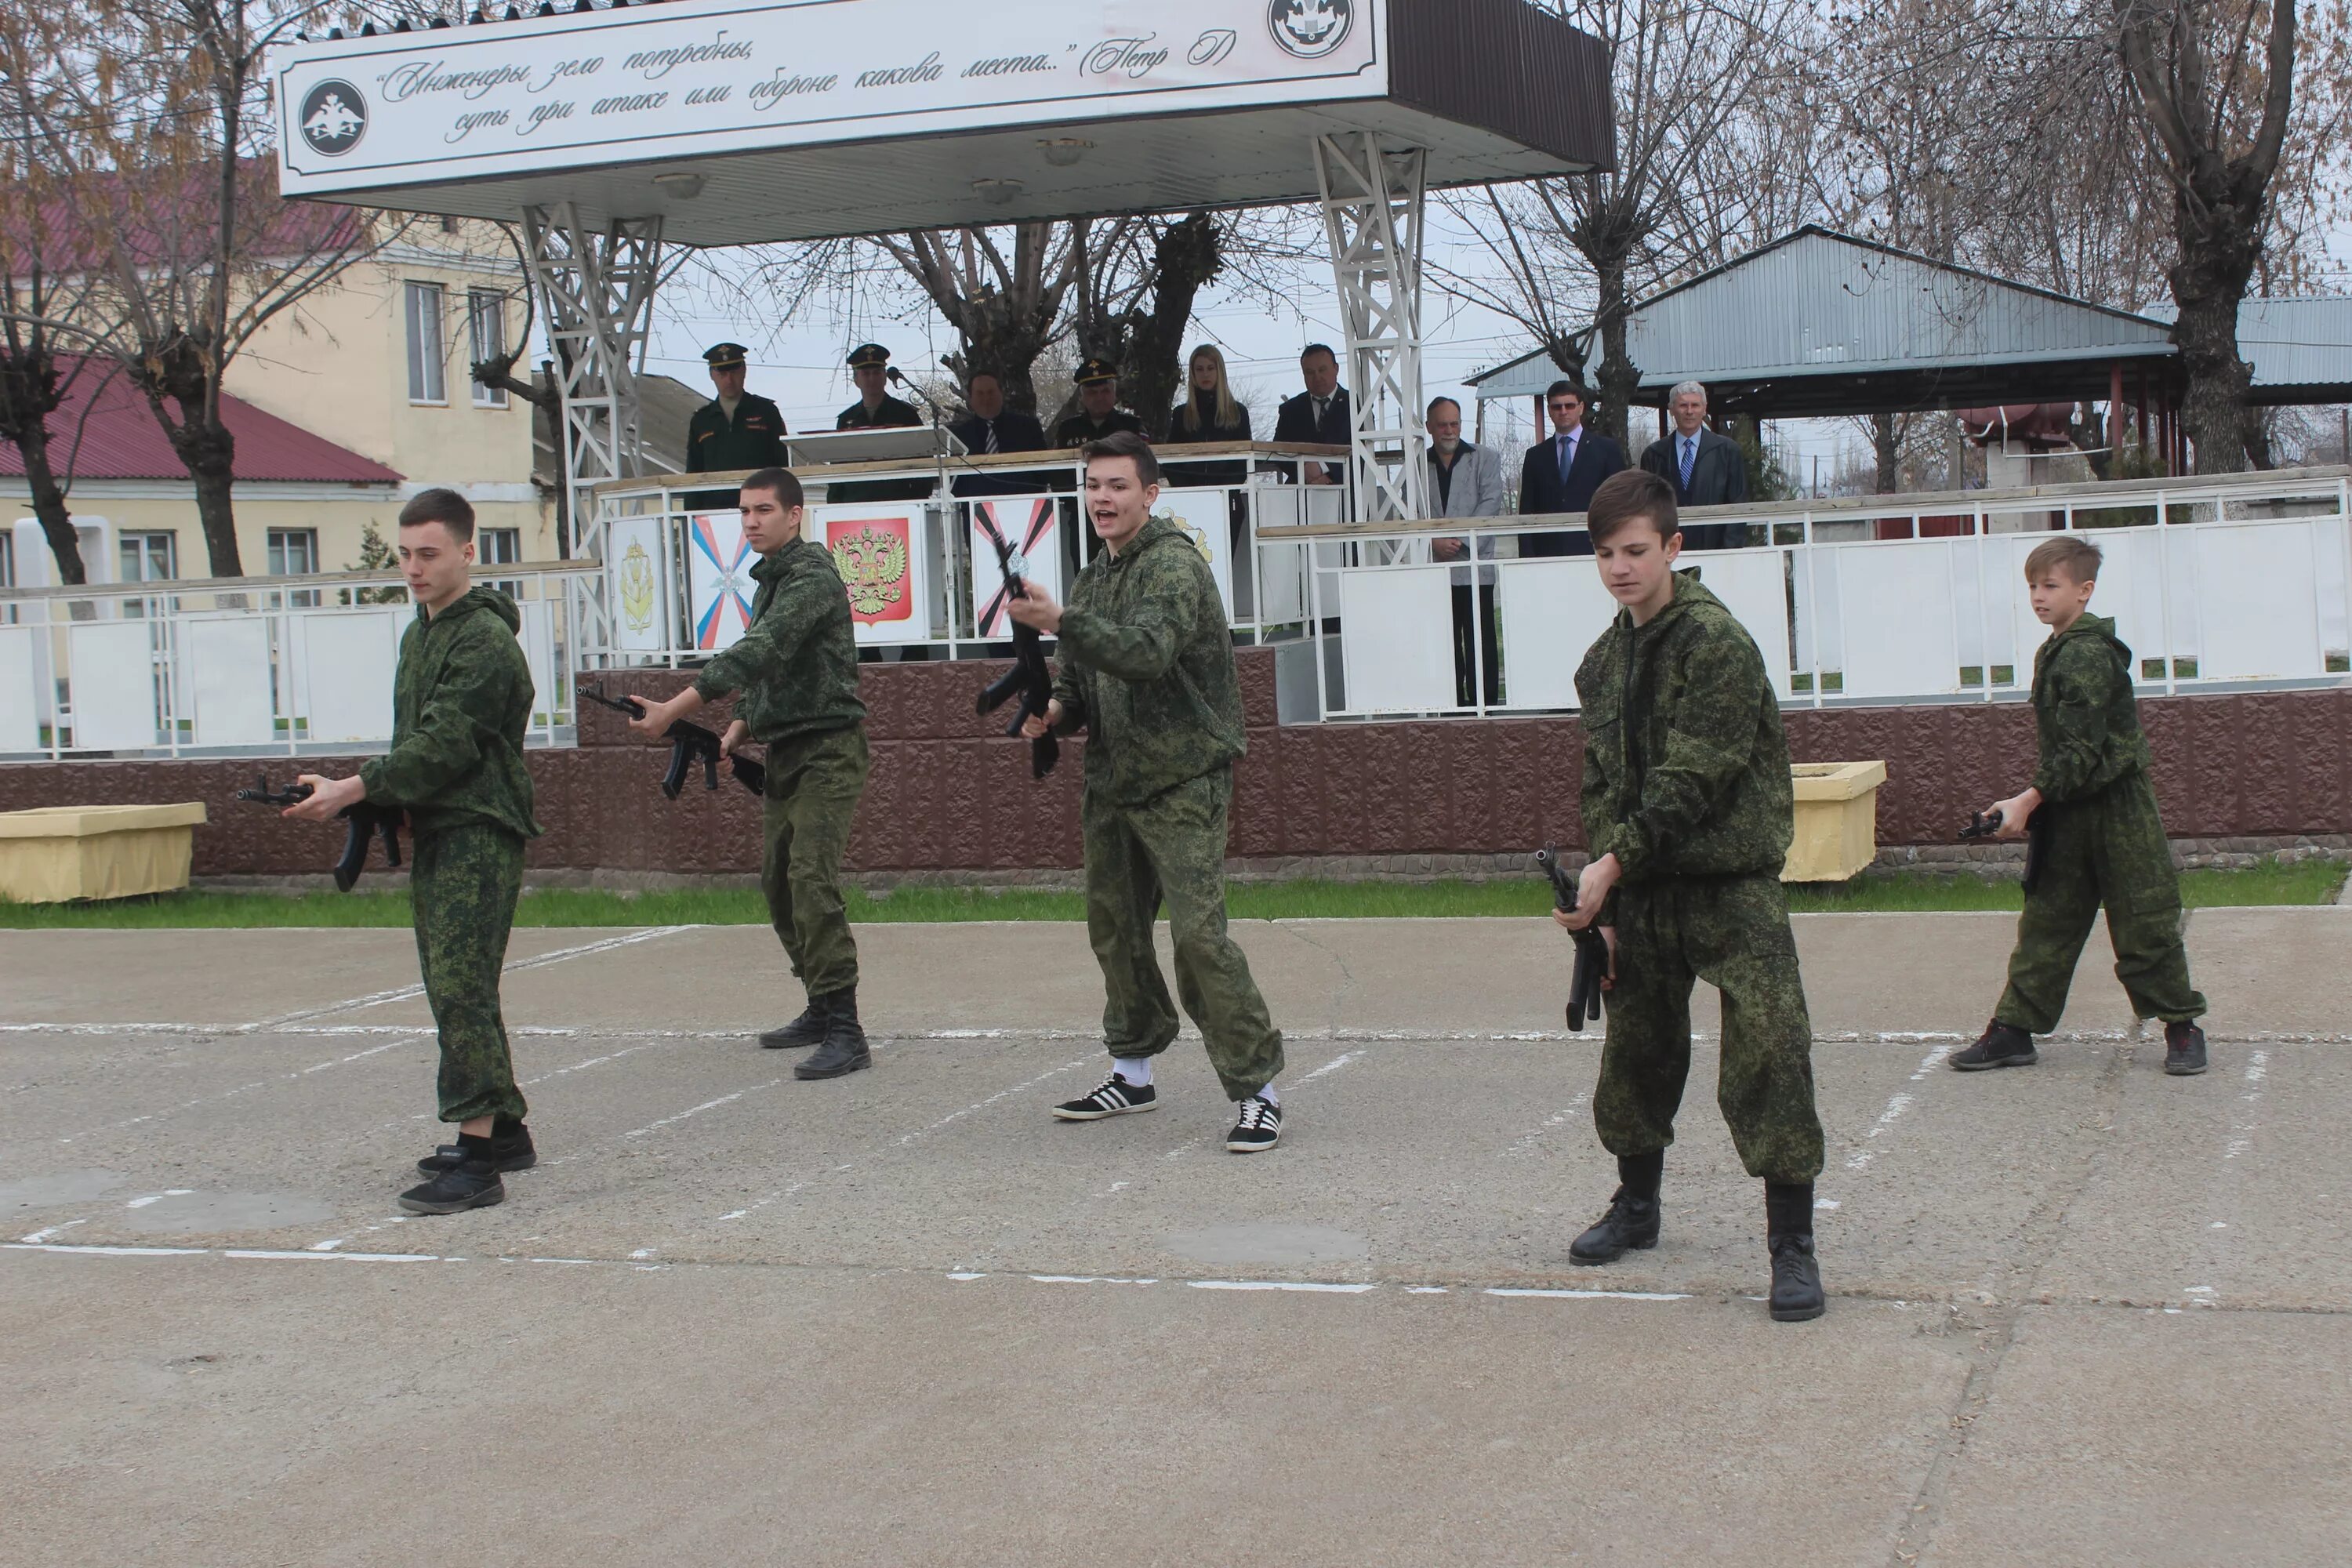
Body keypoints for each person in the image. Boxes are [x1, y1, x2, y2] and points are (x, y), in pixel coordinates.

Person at [1555, 466, 1827, 1322]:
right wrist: (1600, 902)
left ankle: (1792, 1245)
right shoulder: (1602, 663)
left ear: (1674, 547)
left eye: (1635, 550)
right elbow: (1604, 787)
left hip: (1730, 881)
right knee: (1636, 1049)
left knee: (1772, 1049)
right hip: (1644, 889)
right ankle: (1637, 1206)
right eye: (1605, 553)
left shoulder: (1719, 644)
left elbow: (1693, 777)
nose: (1620, 567)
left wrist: (1613, 862)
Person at [1004, 430, 1289, 1152]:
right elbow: (1079, 680)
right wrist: (1055, 713)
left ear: (1150, 494)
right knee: (1116, 930)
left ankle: (1259, 1089)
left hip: (1184, 778)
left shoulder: (1173, 567)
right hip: (1115, 779)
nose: (1103, 498)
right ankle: (1132, 1072)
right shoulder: (1092, 575)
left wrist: (1061, 621)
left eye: (1118, 486)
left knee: (1199, 937)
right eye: (1094, 485)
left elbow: (1146, 653)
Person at [284, 488, 543, 1215]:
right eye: (405, 554)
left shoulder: (484, 642)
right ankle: (505, 1128)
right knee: (455, 981)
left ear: (468, 552)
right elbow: (416, 745)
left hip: (478, 828)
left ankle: (478, 1158)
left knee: (460, 982)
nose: (413, 568)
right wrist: (372, 795)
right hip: (441, 825)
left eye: (429, 554)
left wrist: (357, 788)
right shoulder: (423, 632)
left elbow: (446, 745)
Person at [624, 467, 874, 1081]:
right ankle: (818, 1003)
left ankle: (847, 1028)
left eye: (764, 510)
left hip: (828, 750)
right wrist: (738, 724)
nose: (752, 522)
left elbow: (759, 650)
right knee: (777, 883)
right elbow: (766, 667)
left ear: (796, 515)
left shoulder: (811, 577)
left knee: (810, 878)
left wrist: (675, 709)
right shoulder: (773, 580)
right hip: (787, 751)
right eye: (744, 512)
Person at [1954, 535, 2209, 1076]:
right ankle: (2013, 1030)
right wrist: (2030, 802)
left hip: (2118, 807)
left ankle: (2182, 1029)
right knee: (2048, 920)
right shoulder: (2057, 649)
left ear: (2085, 591)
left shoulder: (2089, 653)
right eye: (2032, 586)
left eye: (2051, 585)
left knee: (2144, 920)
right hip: (2069, 805)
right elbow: (2067, 754)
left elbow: (2082, 749)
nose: (2039, 597)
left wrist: (2027, 800)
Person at [1425, 397, 1505, 706]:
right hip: (1434, 569)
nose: (1449, 430)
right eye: (1442, 424)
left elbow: (1491, 504)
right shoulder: (1417, 463)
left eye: (1455, 423)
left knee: (1479, 642)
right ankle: (1449, 706)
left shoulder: (1486, 458)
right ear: (1430, 427)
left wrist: (1456, 541)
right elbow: (1407, 510)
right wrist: (1432, 544)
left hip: (1475, 565)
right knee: (1443, 642)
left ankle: (1484, 706)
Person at [1518, 380, 1626, 557]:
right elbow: (1527, 511)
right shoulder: (1535, 456)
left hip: (1596, 551)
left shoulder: (1607, 450)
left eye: (1569, 405)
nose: (1563, 411)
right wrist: (1527, 559)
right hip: (1547, 554)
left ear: (1581, 407)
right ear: (1549, 410)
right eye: (1557, 407)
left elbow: (1620, 503)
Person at [1639, 380, 1748, 550]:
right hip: (1668, 552)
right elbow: (1647, 508)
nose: (1689, 412)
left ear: (1704, 409)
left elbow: (1738, 503)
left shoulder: (1728, 452)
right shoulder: (1654, 455)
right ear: (1672, 410)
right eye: (1683, 405)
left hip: (1716, 551)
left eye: (1695, 405)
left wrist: (1730, 552)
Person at [685, 342, 788, 509]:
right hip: (714, 512)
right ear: (712, 374)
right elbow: (693, 473)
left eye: (734, 372)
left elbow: (782, 465)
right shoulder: (701, 420)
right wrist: (689, 518)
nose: (729, 380)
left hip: (760, 508)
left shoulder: (766, 411)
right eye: (722, 374)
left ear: (744, 370)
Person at [829, 343, 930, 504]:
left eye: (877, 373)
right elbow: (837, 467)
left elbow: (922, 461)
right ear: (856, 380)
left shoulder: (905, 415)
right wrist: (835, 504)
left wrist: (917, 499)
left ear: (884, 377)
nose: (872, 378)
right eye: (866, 373)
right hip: (855, 503)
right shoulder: (846, 419)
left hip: (900, 502)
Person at [948, 370, 1051, 498]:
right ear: (971, 399)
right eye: (980, 394)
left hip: (1025, 506)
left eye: (991, 392)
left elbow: (1043, 473)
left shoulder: (1027, 428)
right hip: (975, 508)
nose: (986, 399)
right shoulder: (959, 435)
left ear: (1001, 394)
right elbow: (954, 482)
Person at [1164, 343, 1253, 488]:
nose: (1205, 374)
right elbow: (1171, 460)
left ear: (1220, 371)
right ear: (1193, 374)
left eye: (1210, 368)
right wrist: (1188, 489)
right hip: (1189, 496)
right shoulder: (1181, 414)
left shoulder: (1237, 412)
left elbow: (1243, 462)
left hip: (1228, 496)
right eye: (1199, 369)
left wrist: (1223, 490)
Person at [1272, 343, 1350, 485]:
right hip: (1300, 494)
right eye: (1310, 372)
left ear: (1336, 368)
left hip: (1347, 491)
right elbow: (1278, 451)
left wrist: (1323, 469)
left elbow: (1362, 449)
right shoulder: (1290, 409)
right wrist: (1305, 472)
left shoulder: (1355, 405)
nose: (1317, 377)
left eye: (1322, 370)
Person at [1053, 355, 1145, 448]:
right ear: (1081, 397)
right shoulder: (1067, 429)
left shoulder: (1133, 427)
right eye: (1092, 393)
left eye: (1105, 391)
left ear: (1114, 394)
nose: (1099, 397)